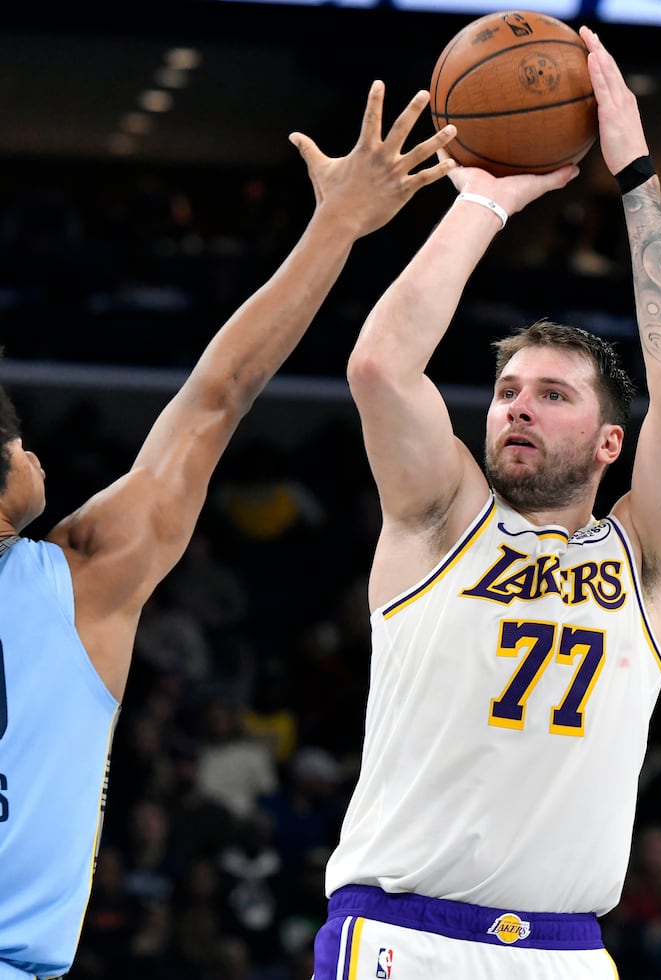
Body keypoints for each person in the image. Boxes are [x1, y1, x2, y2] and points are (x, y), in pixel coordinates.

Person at [0, 81, 457, 980]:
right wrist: (336, 228)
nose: (33, 451)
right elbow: (219, 396)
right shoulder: (82, 578)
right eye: (14, 441)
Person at [313, 26, 661, 979]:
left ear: (611, 444)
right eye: (506, 392)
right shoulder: (440, 517)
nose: (517, 408)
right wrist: (484, 202)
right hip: (402, 933)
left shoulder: (647, 561)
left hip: (568, 952)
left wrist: (636, 173)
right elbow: (378, 366)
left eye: (552, 394)